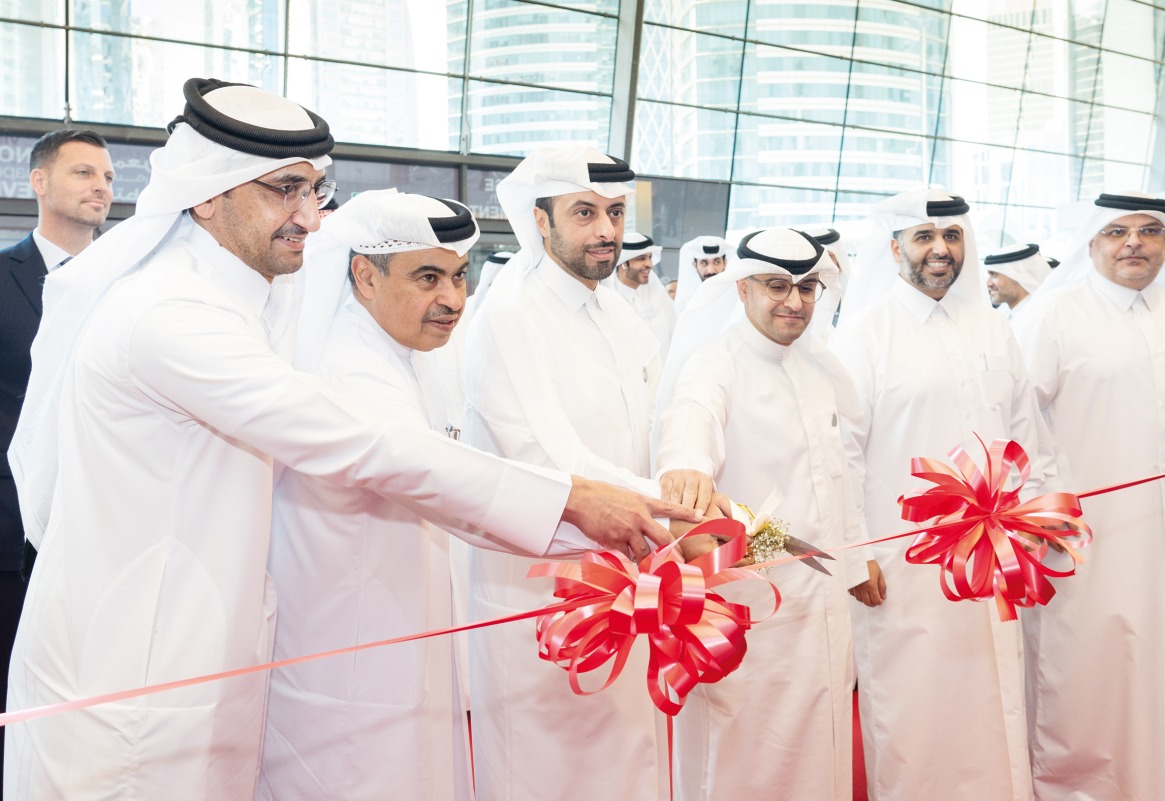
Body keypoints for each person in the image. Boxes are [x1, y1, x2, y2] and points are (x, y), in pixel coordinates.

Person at [4, 81, 696, 801]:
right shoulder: (169, 313)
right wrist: (574, 500)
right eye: (284, 190)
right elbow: (361, 442)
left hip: (204, 669)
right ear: (207, 194)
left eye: (315, 188)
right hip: (131, 685)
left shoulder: (242, 300)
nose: (310, 215)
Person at [259, 190, 538, 801]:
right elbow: (438, 477)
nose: (454, 299)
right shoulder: (348, 364)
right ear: (364, 274)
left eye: (461, 277)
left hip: (406, 639)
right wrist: (582, 513)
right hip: (349, 662)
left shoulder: (415, 351)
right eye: (429, 277)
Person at [463, 145, 710, 801]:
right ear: (541, 222)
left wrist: (685, 475)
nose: (605, 229)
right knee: (550, 777)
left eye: (614, 211)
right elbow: (552, 461)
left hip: (632, 581)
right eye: (584, 212)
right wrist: (685, 514)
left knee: (631, 766)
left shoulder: (622, 314)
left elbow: (658, 428)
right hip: (540, 603)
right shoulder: (511, 316)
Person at [829, 187, 1052, 801]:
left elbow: (1025, 434)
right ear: (895, 246)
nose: (940, 250)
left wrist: (1035, 518)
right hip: (902, 565)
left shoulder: (992, 328)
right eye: (924, 237)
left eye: (951, 236)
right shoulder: (865, 335)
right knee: (912, 704)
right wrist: (857, 552)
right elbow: (840, 453)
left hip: (993, 552)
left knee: (993, 689)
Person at [657, 227, 864, 801]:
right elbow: (689, 431)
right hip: (753, 610)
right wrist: (686, 473)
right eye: (777, 286)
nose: (794, 301)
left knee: (820, 751)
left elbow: (840, 476)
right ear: (742, 288)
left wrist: (858, 562)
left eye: (805, 287)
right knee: (744, 758)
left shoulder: (819, 367)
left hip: (822, 605)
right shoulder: (712, 365)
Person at [1017, 191, 1165, 801]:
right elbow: (1019, 420)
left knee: (1157, 674)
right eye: (1118, 231)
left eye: (1149, 231)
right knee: (1081, 669)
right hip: (1080, 536)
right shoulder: (1056, 315)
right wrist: (1045, 506)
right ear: (1090, 242)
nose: (1134, 244)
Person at [0, 127, 113, 795]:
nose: (101, 184)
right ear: (39, 182)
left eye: (105, 174)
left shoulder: (132, 283)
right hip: (14, 525)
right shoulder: (2, 276)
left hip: (109, 517)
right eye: (82, 173)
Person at [603, 230, 676, 362]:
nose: (649, 264)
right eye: (641, 258)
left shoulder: (659, 297)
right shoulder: (607, 300)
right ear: (623, 263)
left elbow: (675, 338)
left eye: (649, 257)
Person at [983, 243, 1051, 322]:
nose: (988, 283)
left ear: (1017, 275)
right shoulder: (1004, 312)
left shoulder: (1039, 317)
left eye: (994, 275)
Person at [674, 234, 731, 311]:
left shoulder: (736, 298)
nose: (711, 270)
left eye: (717, 262)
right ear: (695, 265)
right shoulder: (684, 303)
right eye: (704, 263)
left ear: (725, 263)